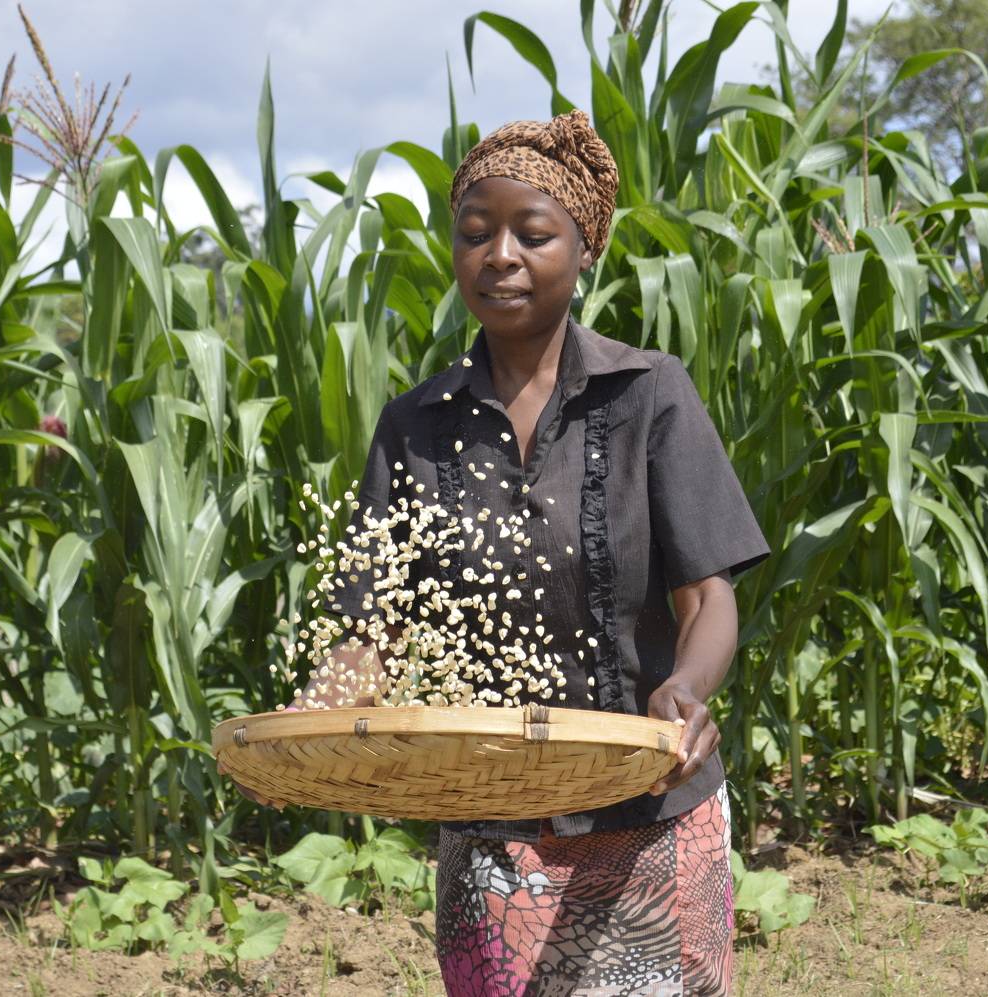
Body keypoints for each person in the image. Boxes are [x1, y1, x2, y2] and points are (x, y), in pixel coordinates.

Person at [234, 109, 768, 996]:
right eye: (476, 234)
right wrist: (305, 731)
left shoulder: (649, 396)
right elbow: (371, 629)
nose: (500, 256)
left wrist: (685, 690)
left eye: (533, 234)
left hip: (649, 809)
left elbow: (708, 596)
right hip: (489, 826)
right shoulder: (415, 427)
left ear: (585, 247)